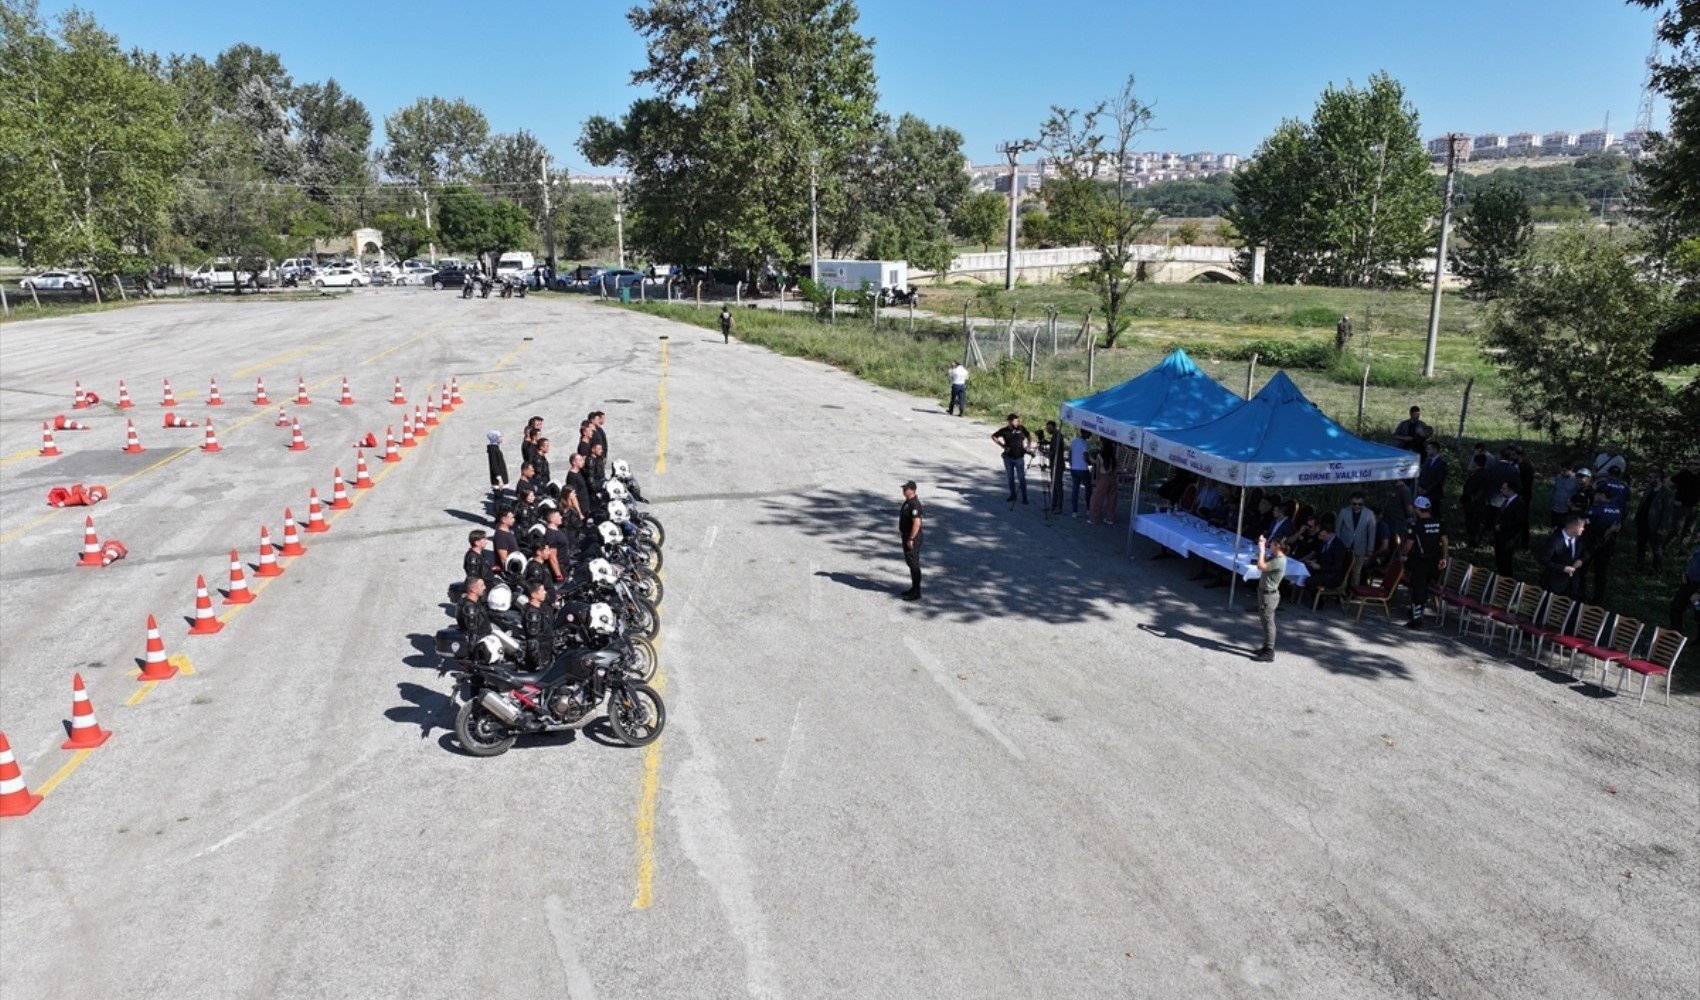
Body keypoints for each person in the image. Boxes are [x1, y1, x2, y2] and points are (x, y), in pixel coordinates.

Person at [1400, 496, 1449, 629]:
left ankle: (1417, 620)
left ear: (1417, 509)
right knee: (1425, 588)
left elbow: (1409, 545)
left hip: (1419, 562)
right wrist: (1444, 558)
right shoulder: (1439, 522)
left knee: (1417, 590)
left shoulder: (1416, 525)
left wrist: (1402, 555)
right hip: (1434, 563)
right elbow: (1445, 541)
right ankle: (1416, 612)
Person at [1587, 468, 1630, 603]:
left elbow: (1588, 526)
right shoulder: (1618, 508)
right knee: (1601, 571)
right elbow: (1627, 505)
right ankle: (1598, 598)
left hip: (1593, 541)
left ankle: (1578, 592)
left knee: (1584, 566)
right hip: (1608, 542)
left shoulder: (1595, 509)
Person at [1251, 535, 1286, 663]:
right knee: (1265, 620)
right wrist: (1263, 549)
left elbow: (1261, 566)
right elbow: (1264, 562)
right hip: (1265, 593)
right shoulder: (1276, 557)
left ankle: (1270, 651)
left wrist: (1261, 549)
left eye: (1271, 544)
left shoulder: (1280, 560)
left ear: (1277, 545)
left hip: (1269, 595)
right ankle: (1266, 647)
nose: (1270, 545)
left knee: (1268, 622)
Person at [1635, 468, 1675, 573]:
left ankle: (1657, 569)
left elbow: (1667, 513)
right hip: (1642, 522)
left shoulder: (1667, 493)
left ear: (1658, 478)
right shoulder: (1649, 489)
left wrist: (1662, 528)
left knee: (1656, 549)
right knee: (1641, 545)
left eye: (1650, 477)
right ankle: (1639, 565)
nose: (1648, 479)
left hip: (1655, 525)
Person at [1538, 516, 1587, 599]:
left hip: (1572, 584)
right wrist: (1563, 568)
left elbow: (1586, 553)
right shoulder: (1554, 540)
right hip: (1553, 583)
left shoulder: (1580, 539)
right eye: (1581, 527)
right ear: (1573, 528)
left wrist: (1581, 560)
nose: (1583, 529)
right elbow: (1543, 560)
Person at [1336, 492, 1377, 585]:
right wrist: (1337, 545)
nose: (1357, 506)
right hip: (1344, 545)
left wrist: (1370, 549)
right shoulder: (1343, 512)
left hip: (1360, 546)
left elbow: (1372, 533)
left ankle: (1354, 591)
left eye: (1360, 504)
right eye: (1354, 503)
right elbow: (1337, 529)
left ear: (1363, 503)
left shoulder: (1370, 514)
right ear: (1350, 502)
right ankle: (1342, 590)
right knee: (1344, 570)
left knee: (1356, 571)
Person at [991, 414, 1032, 505]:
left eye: (1017, 421)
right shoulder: (1004, 430)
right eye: (1015, 421)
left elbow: (1029, 436)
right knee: (1010, 477)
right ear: (1009, 421)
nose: (1017, 423)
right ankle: (1013, 495)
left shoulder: (1021, 428)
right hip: (1008, 457)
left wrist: (1028, 446)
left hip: (1019, 457)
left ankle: (1024, 497)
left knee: (1021, 478)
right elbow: (993, 436)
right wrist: (1003, 446)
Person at [519, 580, 555, 672]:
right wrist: (539, 664)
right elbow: (532, 641)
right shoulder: (532, 614)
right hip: (541, 658)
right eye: (542, 590)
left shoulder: (540, 609)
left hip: (547, 653)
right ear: (534, 595)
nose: (545, 592)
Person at [1303, 520, 1350, 591]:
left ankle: (1320, 600)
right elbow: (1320, 555)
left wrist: (1320, 567)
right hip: (1323, 571)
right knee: (1303, 571)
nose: (1320, 537)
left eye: (1323, 536)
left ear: (1330, 534)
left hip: (1333, 575)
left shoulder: (1338, 546)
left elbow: (1337, 566)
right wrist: (1313, 561)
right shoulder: (1323, 541)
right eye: (1320, 535)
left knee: (1309, 581)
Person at [1462, 454, 1495, 548]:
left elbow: (1469, 490)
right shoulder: (1487, 474)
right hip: (1481, 503)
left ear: (1475, 463)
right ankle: (1475, 542)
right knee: (1476, 524)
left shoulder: (1477, 475)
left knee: (1472, 524)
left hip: (1473, 504)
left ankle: (1473, 543)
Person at [1492, 481, 1524, 577]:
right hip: (1500, 536)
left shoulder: (1519, 503)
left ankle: (1506, 580)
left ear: (1511, 490)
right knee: (1500, 560)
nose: (1501, 490)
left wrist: (1502, 526)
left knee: (1505, 561)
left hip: (1509, 538)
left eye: (1504, 488)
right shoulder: (1506, 501)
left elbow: (1518, 521)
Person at [898, 480, 923, 601]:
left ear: (912, 490)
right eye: (903, 488)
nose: (903, 490)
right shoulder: (908, 502)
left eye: (906, 488)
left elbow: (917, 523)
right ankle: (913, 588)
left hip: (912, 538)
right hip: (907, 536)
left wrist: (911, 538)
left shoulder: (915, 504)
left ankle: (916, 592)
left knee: (914, 564)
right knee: (911, 563)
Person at [1088, 438, 1119, 525]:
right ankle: (1110, 518)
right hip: (1113, 478)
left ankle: (1094, 518)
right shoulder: (1113, 456)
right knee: (1112, 499)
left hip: (1103, 478)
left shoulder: (1100, 456)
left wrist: (1097, 480)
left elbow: (1097, 470)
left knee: (1096, 499)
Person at [1672, 457, 1700, 546]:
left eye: (1696, 464)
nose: (1692, 466)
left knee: (1688, 532)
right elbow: (1667, 486)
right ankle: (1663, 549)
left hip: (1694, 508)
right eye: (1690, 463)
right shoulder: (1683, 474)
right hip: (1681, 507)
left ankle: (1682, 551)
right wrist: (1672, 500)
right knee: (1676, 531)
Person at [1671, 545, 1700, 630]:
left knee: (1698, 613)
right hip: (1688, 583)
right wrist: (1685, 572)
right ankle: (1675, 637)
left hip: (1698, 588)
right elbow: (1693, 561)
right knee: (1675, 608)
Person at [456, 576, 491, 643]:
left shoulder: (475, 600)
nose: (484, 587)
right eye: (482, 585)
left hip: (486, 636)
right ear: (473, 589)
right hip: (482, 642)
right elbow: (472, 636)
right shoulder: (469, 608)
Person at [1068, 428, 1093, 518]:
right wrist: (1091, 463)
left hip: (1074, 469)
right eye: (1089, 432)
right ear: (1085, 433)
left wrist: (1071, 465)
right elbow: (1085, 457)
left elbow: (1070, 455)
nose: (1090, 434)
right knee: (1088, 490)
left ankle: (1074, 511)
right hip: (1083, 469)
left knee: (1075, 490)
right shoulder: (1085, 443)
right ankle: (1088, 509)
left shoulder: (1073, 441)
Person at [1041, 421, 1065, 513]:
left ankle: (1059, 507)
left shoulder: (1058, 436)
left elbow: (1056, 451)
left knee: (1058, 486)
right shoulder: (1054, 436)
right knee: (1054, 485)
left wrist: (1046, 452)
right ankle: (1053, 505)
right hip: (1054, 464)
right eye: (1047, 428)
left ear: (1054, 427)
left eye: (1049, 428)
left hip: (1058, 464)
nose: (1048, 430)